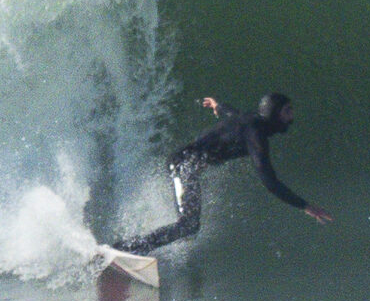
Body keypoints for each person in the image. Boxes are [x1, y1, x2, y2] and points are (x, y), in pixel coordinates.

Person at [115, 92, 330, 252]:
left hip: (185, 165)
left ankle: (133, 246)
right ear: (274, 113)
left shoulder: (250, 120)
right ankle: (129, 248)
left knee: (188, 228)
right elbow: (270, 182)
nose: (291, 117)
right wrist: (305, 206)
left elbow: (232, 114)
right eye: (287, 111)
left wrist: (218, 106)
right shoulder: (256, 134)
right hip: (183, 165)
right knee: (189, 225)